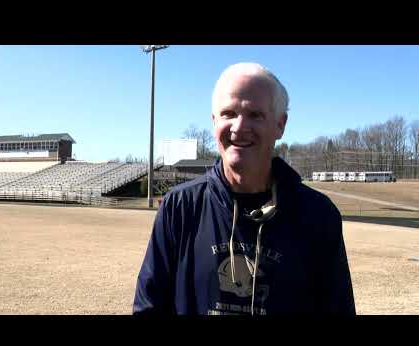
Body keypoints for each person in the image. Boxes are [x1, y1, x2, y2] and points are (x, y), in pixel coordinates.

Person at [133, 62, 355, 315]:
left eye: (254, 115)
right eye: (228, 113)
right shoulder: (180, 207)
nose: (238, 127)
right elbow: (149, 307)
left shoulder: (318, 215)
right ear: (214, 121)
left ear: (280, 125)